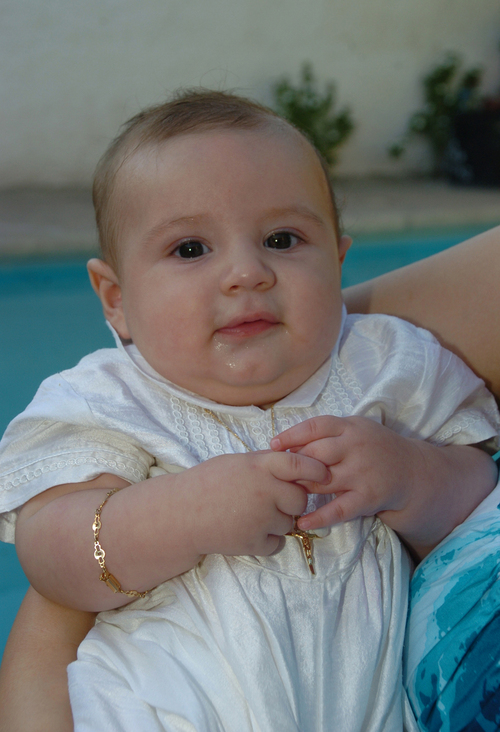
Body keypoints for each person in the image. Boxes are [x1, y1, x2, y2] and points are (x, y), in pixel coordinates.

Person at [0, 90, 498, 732]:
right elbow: (50, 553)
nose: (246, 272)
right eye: (190, 249)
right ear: (116, 299)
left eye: (282, 239)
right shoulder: (109, 399)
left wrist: (413, 475)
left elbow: (479, 496)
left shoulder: (388, 366)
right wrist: (182, 514)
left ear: (338, 260)